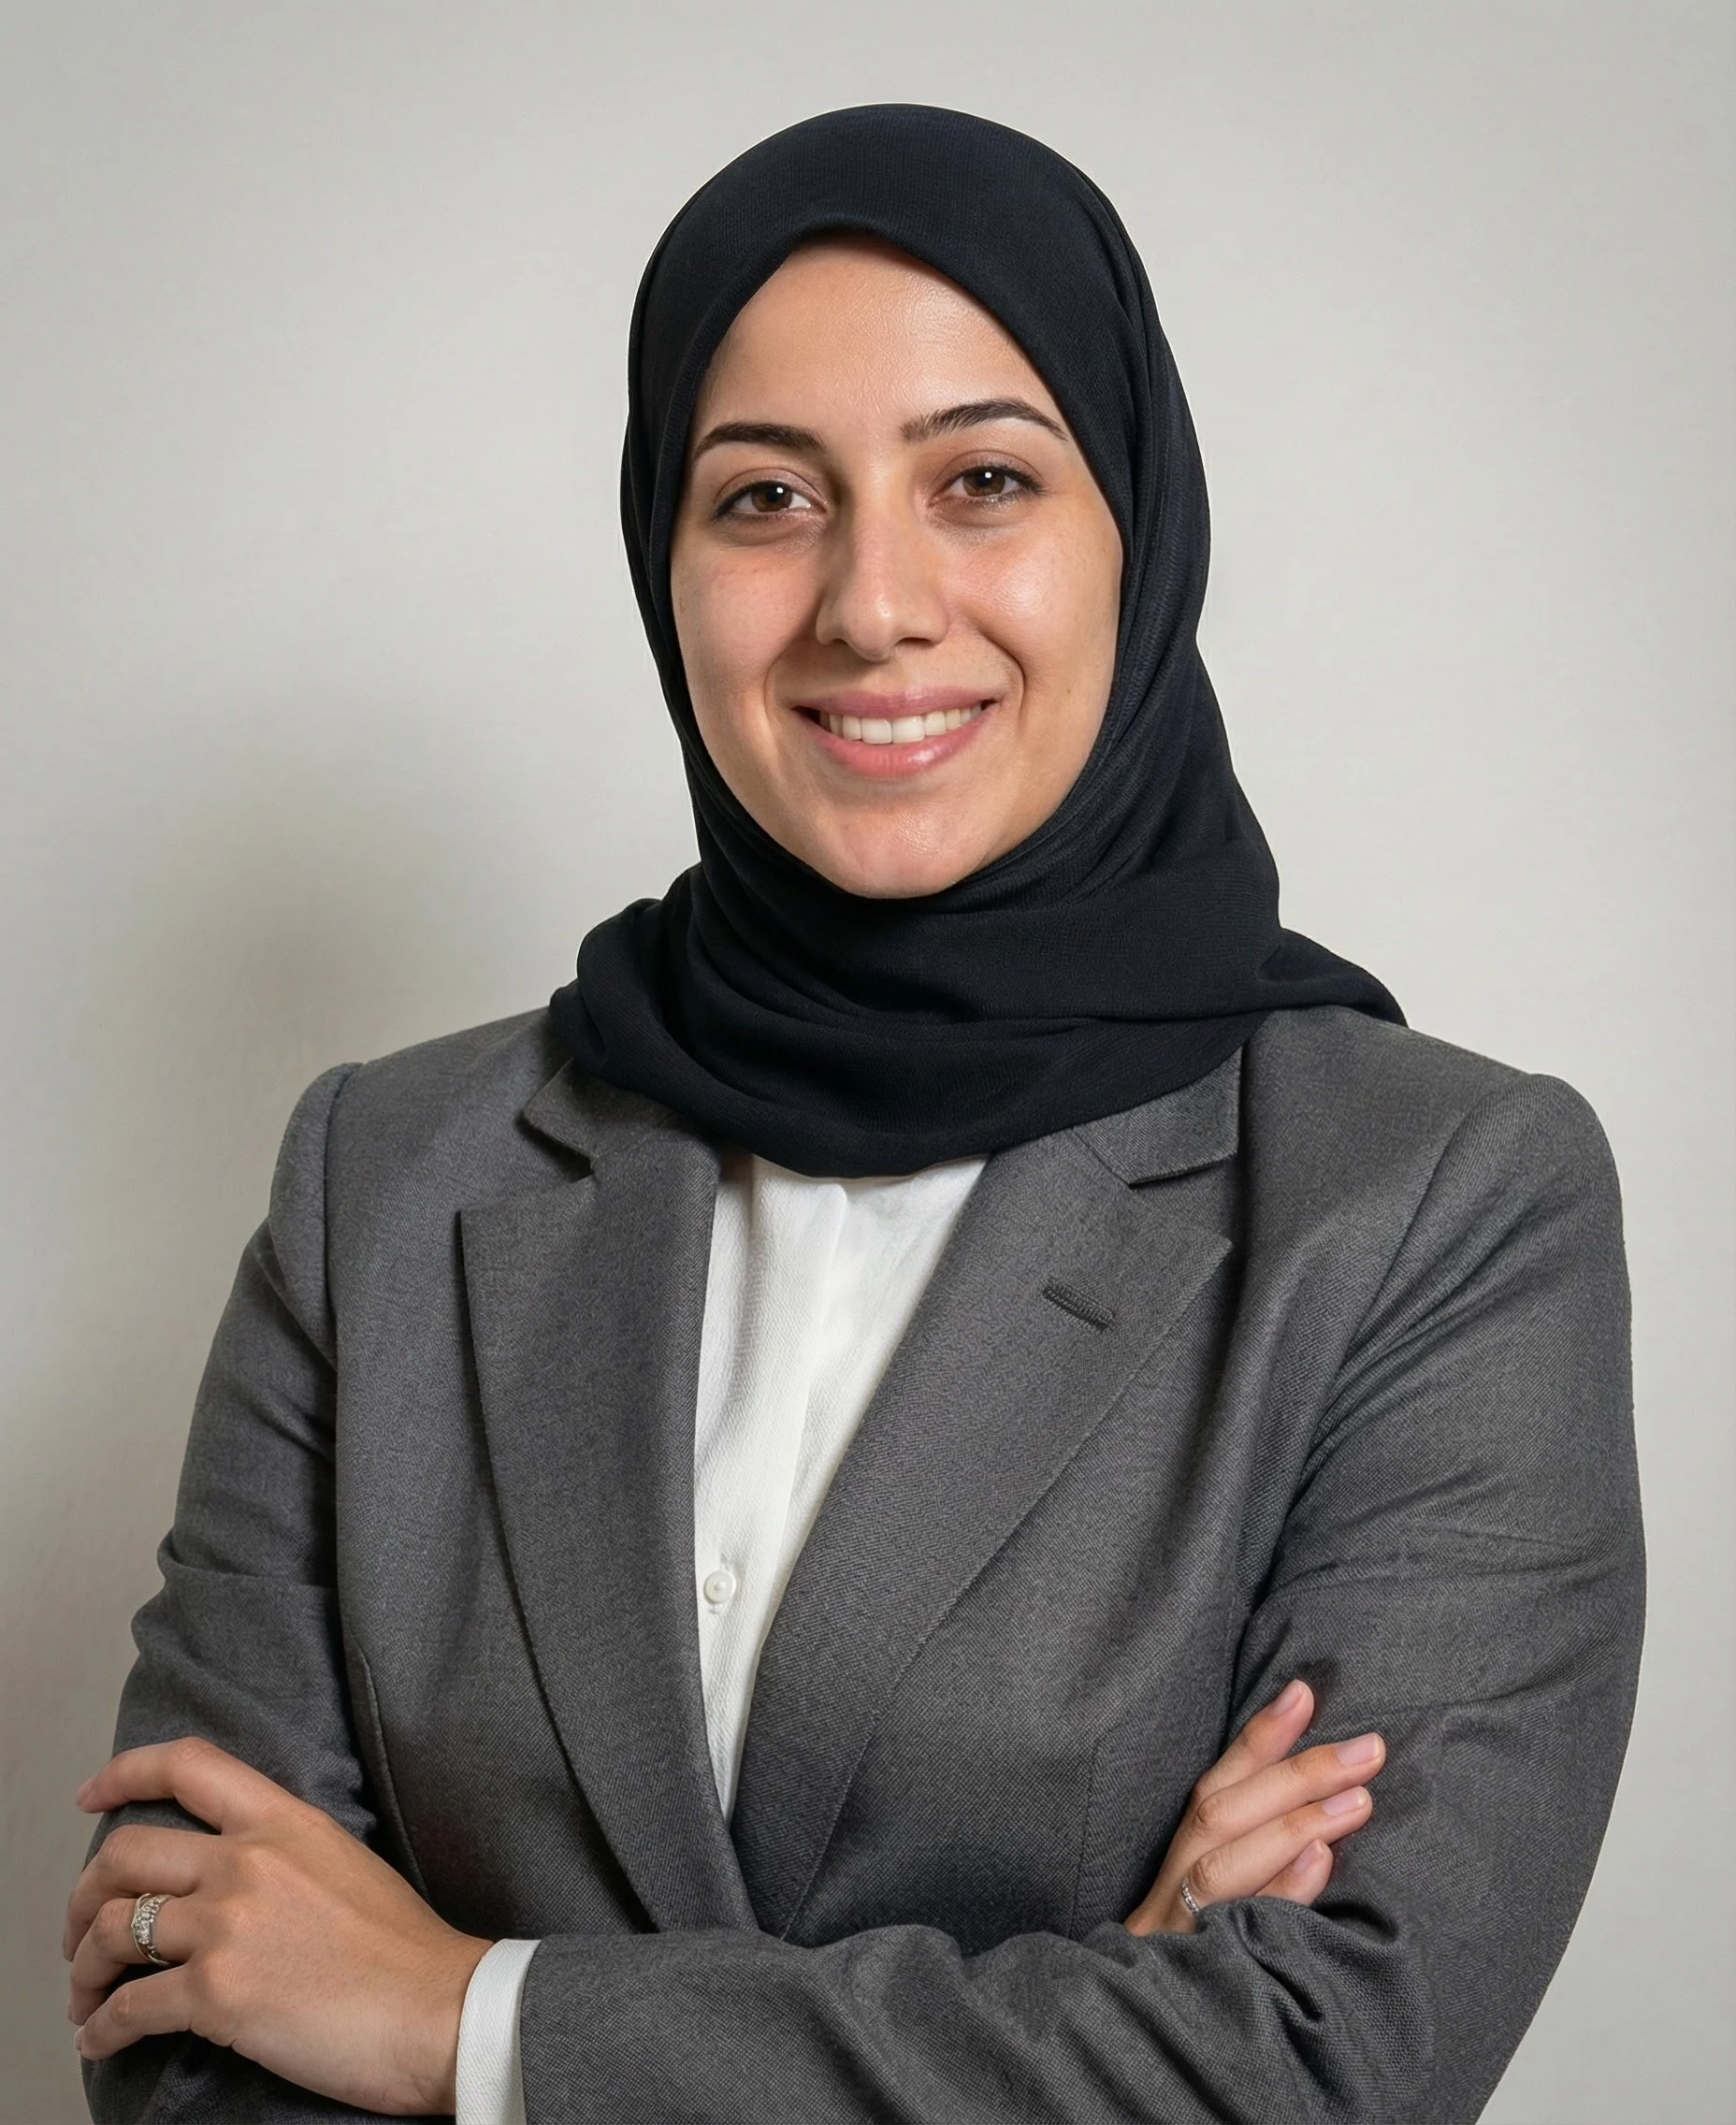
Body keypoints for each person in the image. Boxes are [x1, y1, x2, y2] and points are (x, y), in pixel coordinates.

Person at [63, 105, 1643, 2125]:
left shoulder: (1424, 1204)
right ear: (663, 551)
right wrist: (1081, 2017)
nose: (871, 603)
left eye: (982, 478)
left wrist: (461, 2017)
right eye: (763, 499)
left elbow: (1318, 2061)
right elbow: (184, 2005)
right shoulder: (390, 1177)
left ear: (1134, 535)